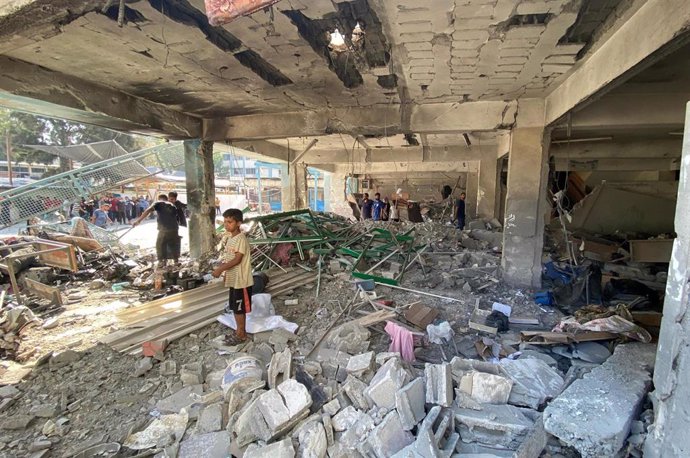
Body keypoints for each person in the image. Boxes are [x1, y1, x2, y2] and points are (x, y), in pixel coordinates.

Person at [213, 208, 254, 342]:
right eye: (225, 222)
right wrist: (226, 273)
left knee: (239, 308)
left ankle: (241, 334)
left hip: (241, 280)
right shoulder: (231, 238)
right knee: (235, 308)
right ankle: (239, 332)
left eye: (229, 222)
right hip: (234, 279)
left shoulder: (241, 239)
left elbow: (237, 260)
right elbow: (230, 257)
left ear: (238, 223)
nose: (226, 225)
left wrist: (220, 269)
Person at [132, 194, 180, 266]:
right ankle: (176, 261)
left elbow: (148, 211)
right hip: (174, 228)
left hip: (164, 228)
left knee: (160, 244)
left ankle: (162, 261)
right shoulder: (172, 205)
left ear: (160, 199)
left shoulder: (158, 202)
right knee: (173, 244)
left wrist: (138, 221)